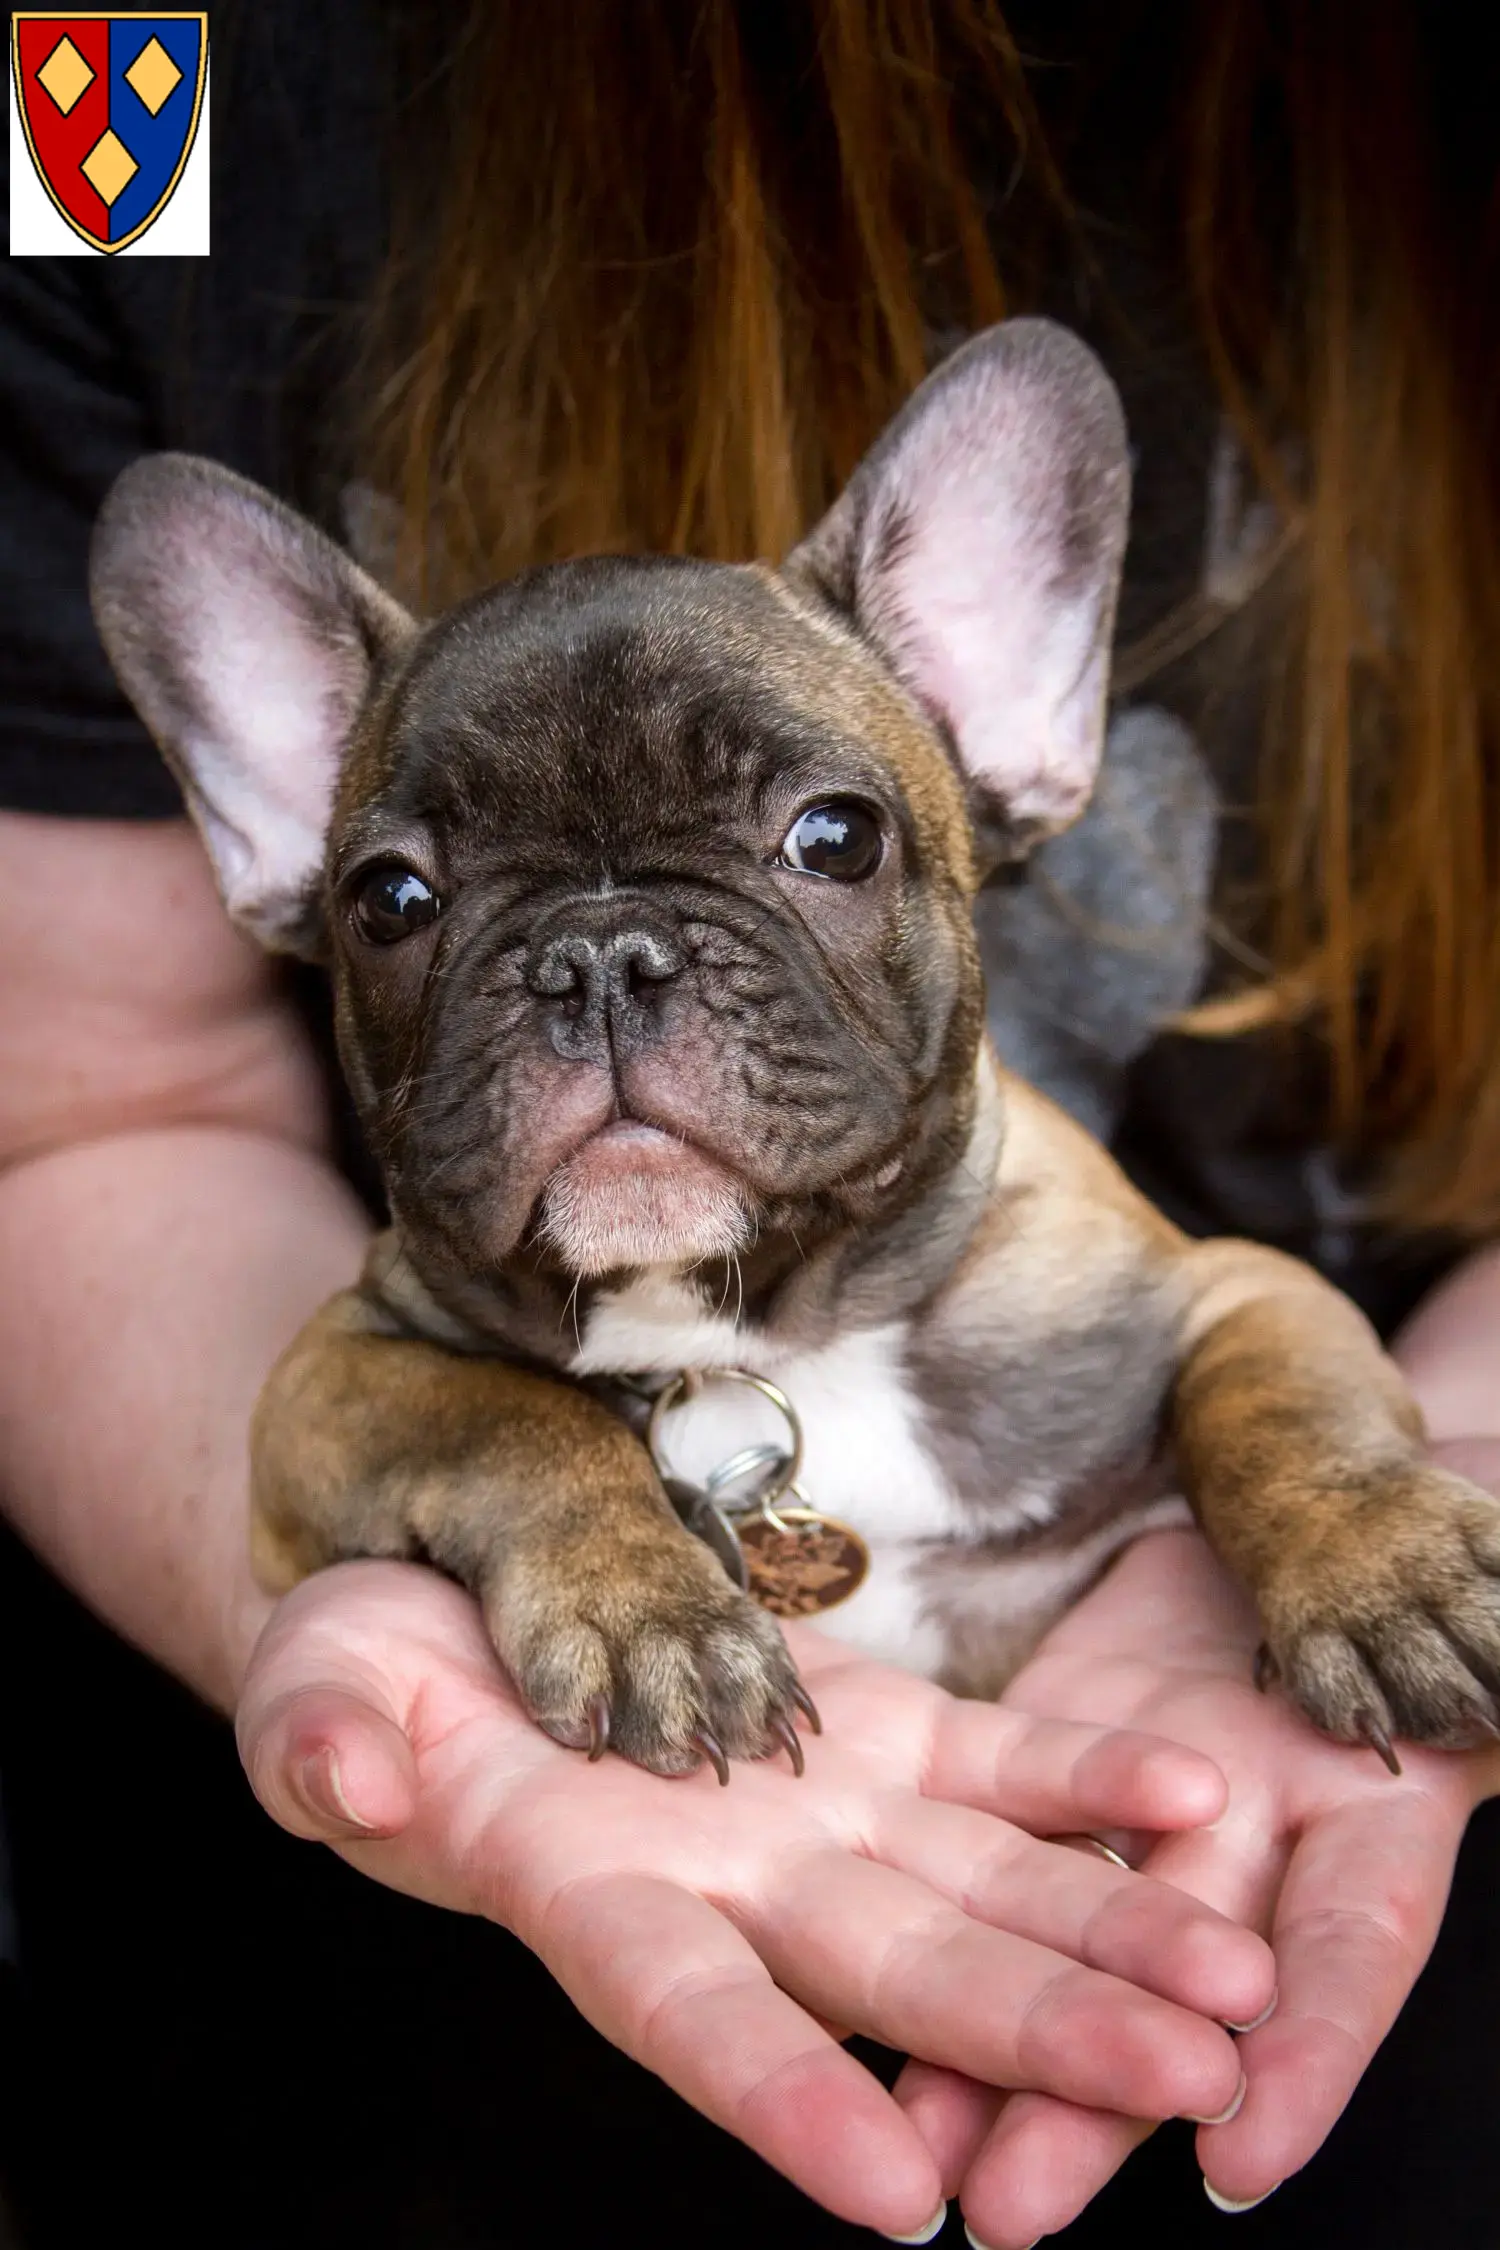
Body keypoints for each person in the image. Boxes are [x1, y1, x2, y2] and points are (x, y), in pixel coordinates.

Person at [1, 2, 1498, 2245]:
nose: (614, 988)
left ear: (1005, 731)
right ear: (282, 836)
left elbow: (1232, 1328)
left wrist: (1363, 1520)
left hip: (1343, 2014)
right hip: (393, 2074)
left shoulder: (1061, 1266)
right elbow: (209, 1253)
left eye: (814, 839)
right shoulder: (135, 64)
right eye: (410, 896)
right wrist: (559, 1524)